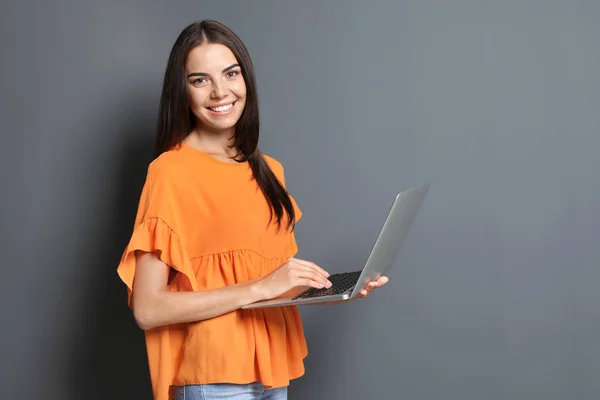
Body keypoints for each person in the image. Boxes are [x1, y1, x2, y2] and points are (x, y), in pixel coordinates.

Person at [116, 20, 389, 400]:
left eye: (231, 73)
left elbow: (271, 287)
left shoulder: (268, 170)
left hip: (272, 372)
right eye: (200, 80)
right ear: (183, 92)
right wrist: (260, 286)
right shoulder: (170, 173)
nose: (220, 92)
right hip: (213, 378)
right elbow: (147, 308)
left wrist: (340, 290)